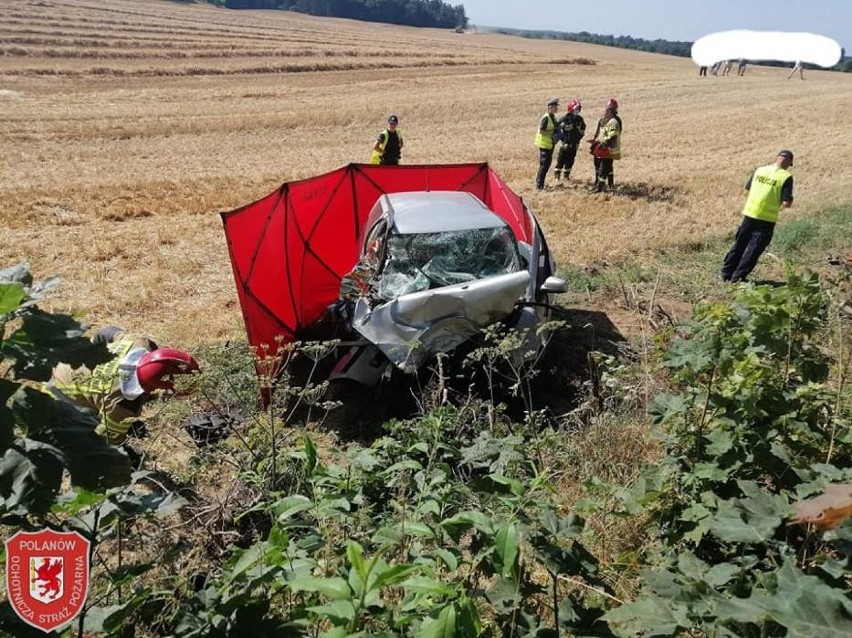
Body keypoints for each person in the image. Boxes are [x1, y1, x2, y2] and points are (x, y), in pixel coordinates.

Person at [47, 326, 200, 445]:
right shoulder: (123, 405)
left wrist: (93, 348)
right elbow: (104, 439)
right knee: (90, 426)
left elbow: (106, 332)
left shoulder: (140, 344)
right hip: (58, 391)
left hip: (67, 357)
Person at [720, 150, 794, 283]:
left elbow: (748, 188)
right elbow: (786, 203)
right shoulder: (785, 177)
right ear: (789, 162)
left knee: (739, 244)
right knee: (754, 249)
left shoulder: (759, 170)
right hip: (766, 219)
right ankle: (738, 277)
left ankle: (725, 274)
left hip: (749, 213)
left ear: (776, 158)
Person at [589, 97, 622, 193]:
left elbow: (614, 135)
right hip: (599, 146)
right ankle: (598, 184)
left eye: (609, 109)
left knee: (606, 167)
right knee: (598, 166)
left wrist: (605, 142)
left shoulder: (615, 121)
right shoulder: (602, 120)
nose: (605, 112)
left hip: (608, 148)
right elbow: (599, 132)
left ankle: (607, 185)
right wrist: (595, 141)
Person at [553, 99, 586, 182]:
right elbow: (557, 128)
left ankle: (566, 176)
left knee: (570, 160)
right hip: (565, 143)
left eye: (578, 109)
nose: (577, 111)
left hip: (574, 144)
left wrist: (579, 138)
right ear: (571, 109)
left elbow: (583, 130)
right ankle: (557, 176)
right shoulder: (565, 119)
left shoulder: (580, 119)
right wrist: (562, 139)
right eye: (575, 109)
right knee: (561, 159)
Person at [534, 97, 560, 190]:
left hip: (549, 144)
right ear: (550, 107)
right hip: (544, 145)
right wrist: (552, 132)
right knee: (544, 165)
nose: (557, 108)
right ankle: (539, 186)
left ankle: (539, 182)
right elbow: (542, 131)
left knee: (545, 165)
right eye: (555, 106)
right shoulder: (546, 118)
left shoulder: (552, 117)